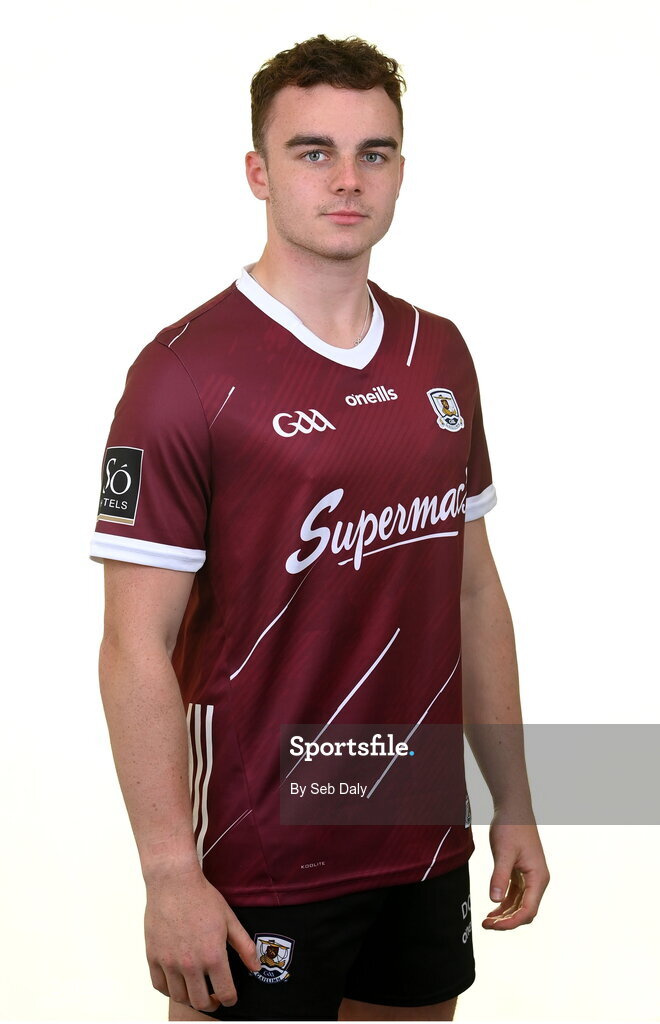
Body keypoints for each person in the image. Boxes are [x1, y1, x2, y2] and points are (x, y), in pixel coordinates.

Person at [91, 33, 550, 1023]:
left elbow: (473, 590)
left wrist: (514, 798)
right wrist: (170, 871)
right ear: (259, 172)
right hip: (262, 840)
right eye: (313, 152)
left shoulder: (441, 355)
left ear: (398, 171)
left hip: (420, 828)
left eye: (373, 153)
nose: (347, 180)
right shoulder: (183, 376)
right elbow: (134, 642)